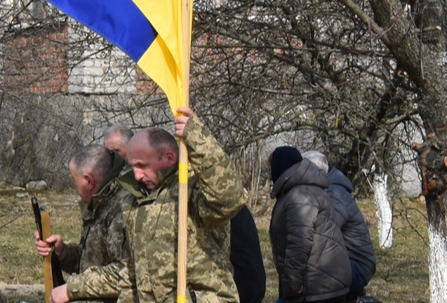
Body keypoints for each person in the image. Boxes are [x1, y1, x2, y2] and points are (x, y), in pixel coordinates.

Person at [100, 108, 248, 302]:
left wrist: (197, 137)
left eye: (142, 165)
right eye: (132, 166)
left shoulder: (193, 188)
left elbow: (229, 199)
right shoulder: (135, 199)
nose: (136, 175)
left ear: (169, 158)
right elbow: (131, 272)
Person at [39, 144, 133, 303]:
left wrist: (72, 289)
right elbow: (92, 262)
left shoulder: (122, 209)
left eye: (73, 181)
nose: (73, 187)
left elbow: (126, 273)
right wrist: (63, 253)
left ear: (89, 181)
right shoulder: (100, 201)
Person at [263, 147, 353, 303]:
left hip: (318, 288)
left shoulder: (300, 196)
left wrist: (292, 285)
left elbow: (299, 244)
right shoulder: (305, 190)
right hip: (327, 283)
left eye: (272, 167)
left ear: (280, 167)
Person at [304, 151, 379, 302]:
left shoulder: (335, 194)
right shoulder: (328, 189)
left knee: (317, 288)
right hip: (346, 260)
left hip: (358, 263)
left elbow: (322, 229)